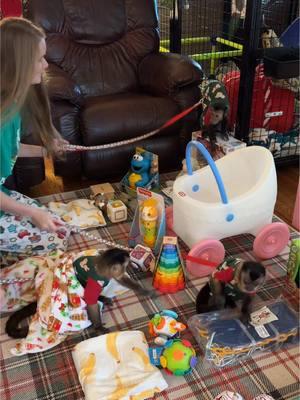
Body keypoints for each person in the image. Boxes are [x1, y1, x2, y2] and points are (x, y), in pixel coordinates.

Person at [0, 17, 71, 258]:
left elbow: (10, 148)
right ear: (17, 65)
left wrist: (45, 150)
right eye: (39, 59)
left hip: (4, 198)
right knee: (55, 238)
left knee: (59, 224)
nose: (46, 65)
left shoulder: (10, 106)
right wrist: (32, 214)